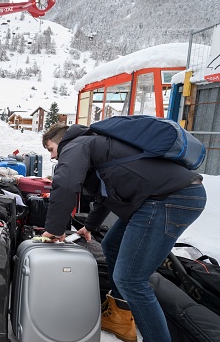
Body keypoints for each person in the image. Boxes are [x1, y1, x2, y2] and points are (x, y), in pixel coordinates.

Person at [41, 122, 206, 342]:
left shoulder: (76, 144)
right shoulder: (96, 146)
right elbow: (106, 196)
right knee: (111, 245)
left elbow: (66, 183)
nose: (53, 157)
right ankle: (119, 316)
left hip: (169, 199)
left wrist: (53, 229)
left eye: (51, 149)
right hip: (163, 197)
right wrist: (89, 226)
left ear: (61, 141)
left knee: (131, 280)